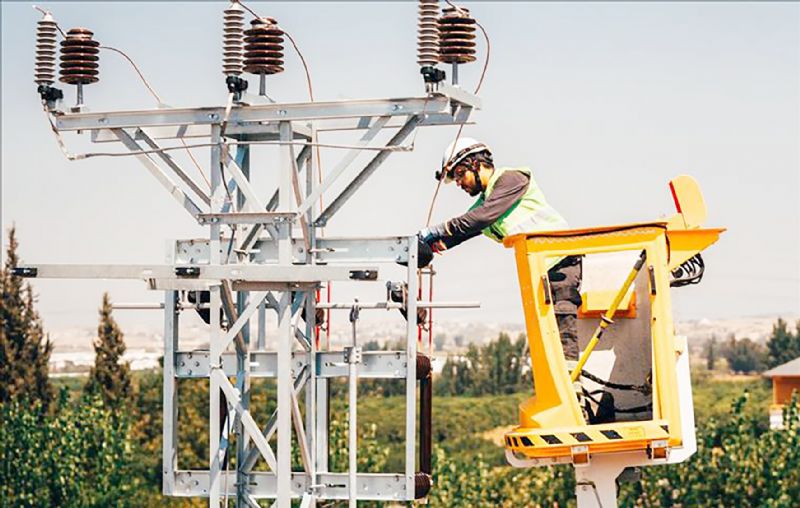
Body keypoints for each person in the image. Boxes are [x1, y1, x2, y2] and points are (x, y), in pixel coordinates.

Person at [418, 137, 583, 361]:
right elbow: (466, 229)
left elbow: (479, 218)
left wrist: (436, 230)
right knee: (547, 334)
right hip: (539, 268)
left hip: (561, 260)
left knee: (562, 325)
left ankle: (569, 379)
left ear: (475, 164)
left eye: (459, 174)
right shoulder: (487, 201)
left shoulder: (511, 179)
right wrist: (428, 246)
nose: (459, 183)